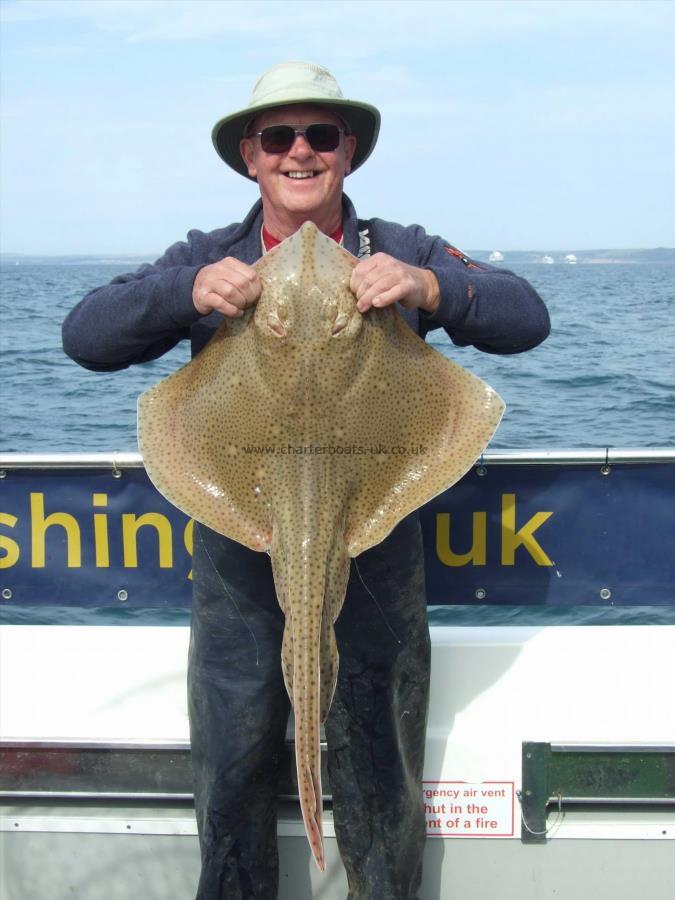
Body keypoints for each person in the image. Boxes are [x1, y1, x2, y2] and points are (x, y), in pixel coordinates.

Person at [62, 61, 549, 900]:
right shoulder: (207, 255)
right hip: (238, 555)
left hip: (374, 541)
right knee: (234, 756)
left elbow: (523, 315)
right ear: (248, 158)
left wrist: (431, 285)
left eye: (319, 136)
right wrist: (185, 294)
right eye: (277, 138)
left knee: (377, 764)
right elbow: (86, 336)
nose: (300, 152)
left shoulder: (400, 248)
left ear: (347, 153)